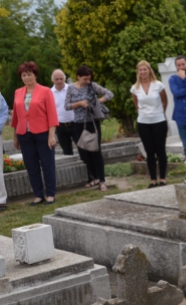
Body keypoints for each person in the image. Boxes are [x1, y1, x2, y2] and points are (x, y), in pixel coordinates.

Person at [11, 61, 59, 205]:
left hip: (43, 133)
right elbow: (16, 117)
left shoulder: (45, 91)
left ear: (35, 75)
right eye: (24, 75)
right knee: (31, 165)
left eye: (29, 75)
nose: (26, 78)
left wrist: (51, 135)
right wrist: (15, 136)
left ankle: (50, 194)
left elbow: (52, 115)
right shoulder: (18, 92)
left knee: (47, 164)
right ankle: (38, 195)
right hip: (24, 135)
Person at [65, 65, 113, 191]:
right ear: (78, 77)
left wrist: (98, 102)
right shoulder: (70, 88)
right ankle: (93, 177)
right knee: (84, 151)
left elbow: (109, 94)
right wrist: (79, 104)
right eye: (85, 79)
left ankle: (102, 180)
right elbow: (67, 106)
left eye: (89, 78)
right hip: (78, 123)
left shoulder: (92, 85)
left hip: (92, 121)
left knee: (95, 151)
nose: (87, 81)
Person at [131, 60, 169, 188]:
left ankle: (162, 178)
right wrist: (145, 113)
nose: (143, 72)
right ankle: (153, 179)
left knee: (160, 150)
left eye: (145, 69)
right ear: (138, 72)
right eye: (140, 70)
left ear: (149, 70)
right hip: (143, 122)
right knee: (149, 151)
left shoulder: (158, 85)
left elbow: (165, 101)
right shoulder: (135, 88)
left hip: (158, 120)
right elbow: (136, 104)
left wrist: (159, 114)